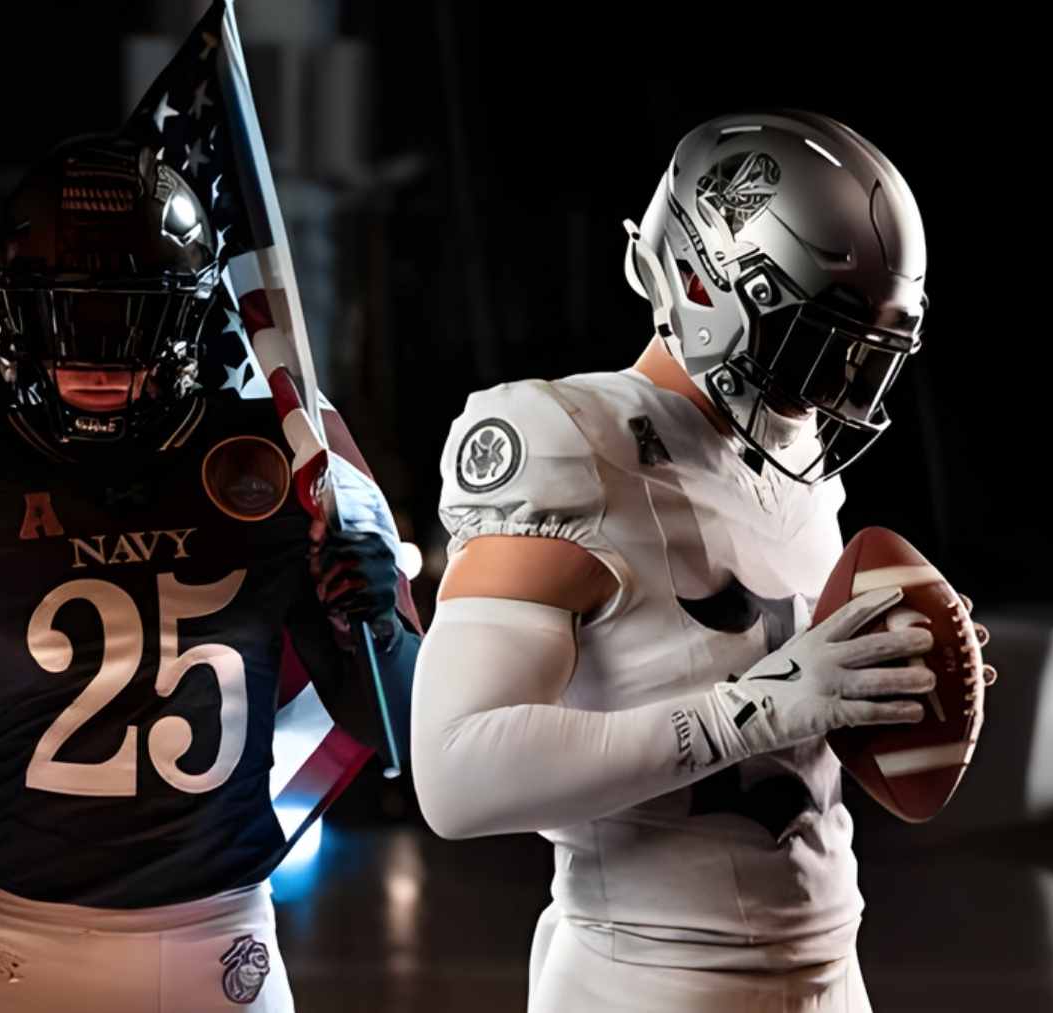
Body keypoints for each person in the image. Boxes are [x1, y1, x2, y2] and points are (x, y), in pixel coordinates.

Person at [0, 135, 418, 1013]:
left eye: (129, 316)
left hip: (224, 952)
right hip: (31, 957)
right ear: (18, 309)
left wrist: (373, 617)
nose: (94, 352)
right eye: (67, 314)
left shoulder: (269, 455)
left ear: (188, 318)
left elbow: (398, 732)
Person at [411, 110, 972, 1011]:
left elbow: (797, 735)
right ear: (706, 285)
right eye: (814, 345)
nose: (832, 390)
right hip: (649, 977)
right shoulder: (571, 441)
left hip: (831, 963)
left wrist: (893, 674)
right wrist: (751, 711)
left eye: (859, 360)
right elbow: (454, 772)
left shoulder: (797, 457)